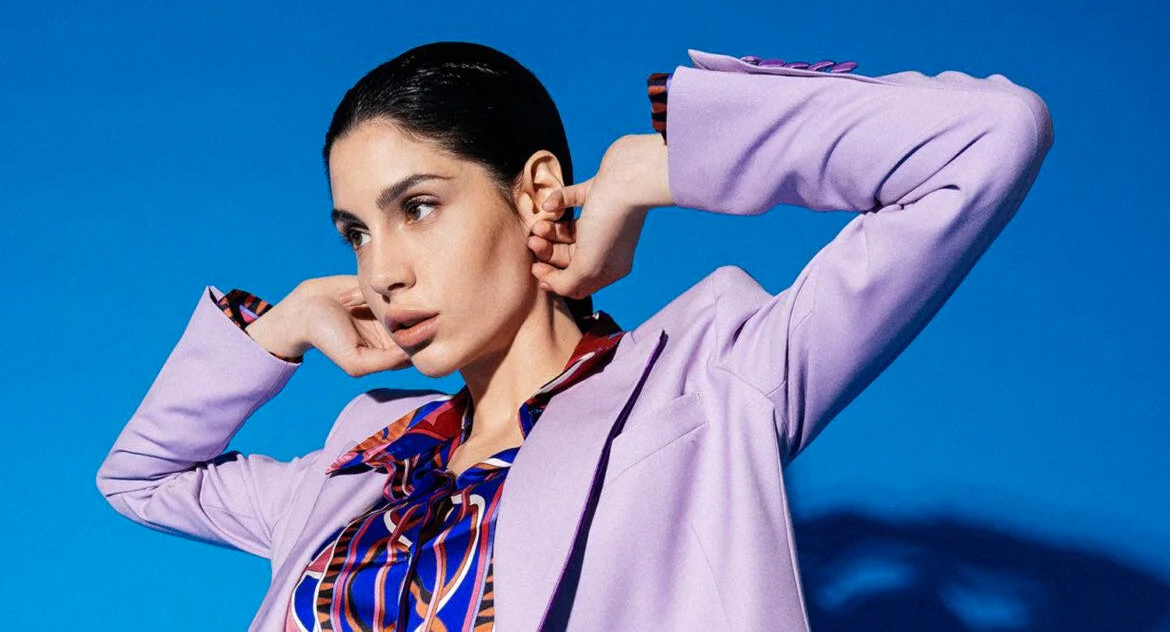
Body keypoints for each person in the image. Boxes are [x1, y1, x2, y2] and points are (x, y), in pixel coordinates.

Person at [95, 41, 1053, 631]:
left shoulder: (710, 389)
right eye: (356, 232)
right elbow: (141, 480)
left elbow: (990, 137)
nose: (380, 271)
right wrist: (280, 329)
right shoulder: (360, 466)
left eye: (417, 208)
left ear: (536, 191)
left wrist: (667, 167)